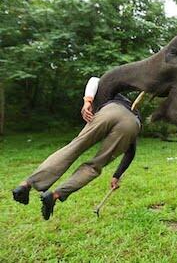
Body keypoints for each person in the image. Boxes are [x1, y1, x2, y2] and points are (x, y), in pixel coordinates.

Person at [12, 77, 141, 220]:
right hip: (133, 123)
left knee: (73, 148)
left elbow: (94, 80)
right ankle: (55, 196)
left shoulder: (108, 91)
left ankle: (26, 184)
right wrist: (116, 175)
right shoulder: (127, 103)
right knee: (94, 166)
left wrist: (87, 101)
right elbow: (131, 152)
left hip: (110, 110)